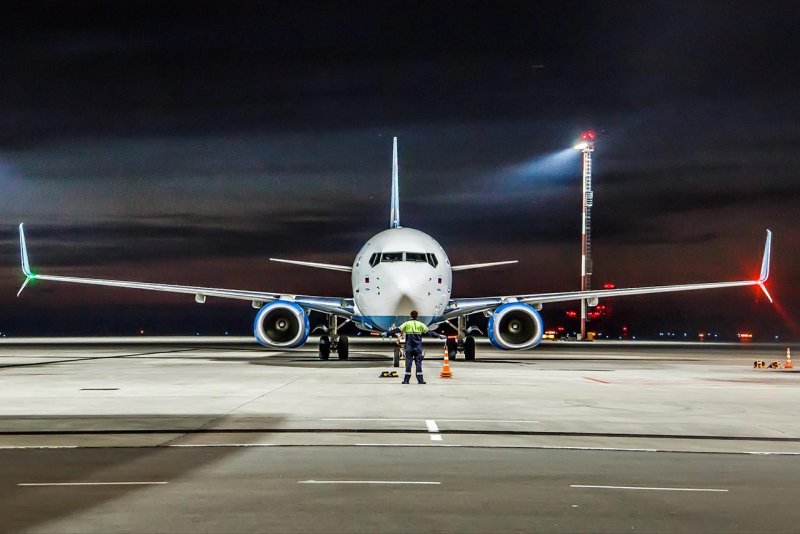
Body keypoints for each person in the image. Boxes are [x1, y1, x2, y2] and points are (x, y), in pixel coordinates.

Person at [383, 310, 446, 384]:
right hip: (418, 347)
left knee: (408, 364)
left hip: (409, 347)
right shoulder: (421, 324)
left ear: (410, 316)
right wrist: (439, 336)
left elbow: (397, 330)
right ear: (417, 316)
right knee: (418, 363)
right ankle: (420, 380)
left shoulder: (407, 324)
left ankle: (406, 380)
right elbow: (430, 332)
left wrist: (387, 333)